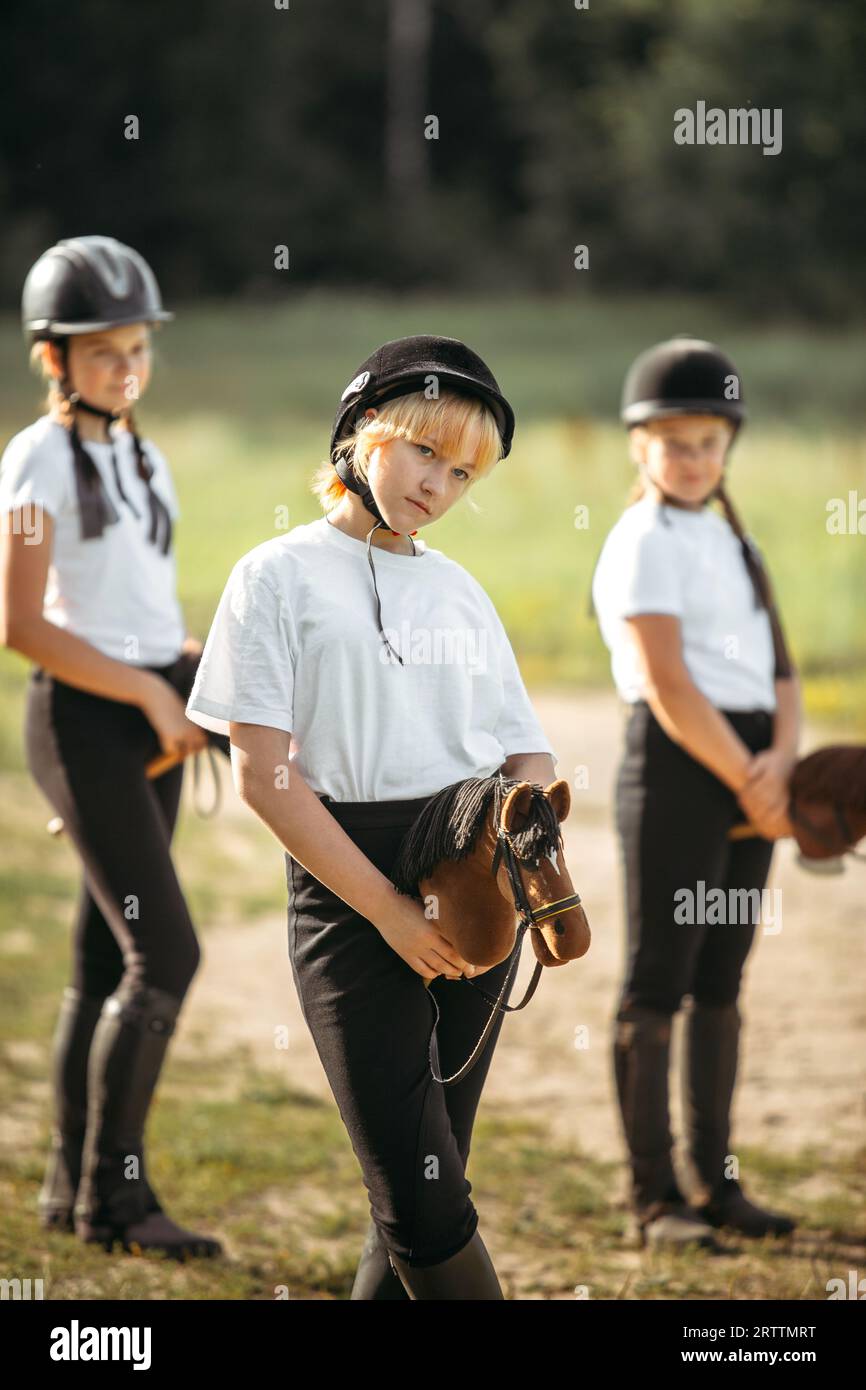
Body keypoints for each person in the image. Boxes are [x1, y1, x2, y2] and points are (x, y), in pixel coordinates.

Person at [185, 335, 558, 1298]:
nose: (440, 484)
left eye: (464, 471)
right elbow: (265, 777)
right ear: (362, 433)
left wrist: (528, 846)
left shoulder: (462, 592)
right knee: (418, 1200)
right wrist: (390, 911)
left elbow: (525, 749)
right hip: (351, 891)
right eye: (425, 452)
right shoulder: (275, 576)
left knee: (427, 1181)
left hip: (474, 885)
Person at [0, 236, 228, 1258]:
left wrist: (186, 674)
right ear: (54, 359)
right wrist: (140, 690)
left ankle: (68, 1182)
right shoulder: (36, 455)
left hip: (144, 713)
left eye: (137, 351)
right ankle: (115, 1201)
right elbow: (23, 626)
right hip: (84, 712)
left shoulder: (143, 453)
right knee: (166, 952)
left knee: (104, 960)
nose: (126, 371)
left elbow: (140, 608)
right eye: (103, 355)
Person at [591, 335, 799, 1249]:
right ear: (641, 447)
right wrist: (748, 779)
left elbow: (784, 673)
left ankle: (718, 1183)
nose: (692, 459)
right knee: (659, 978)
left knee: (723, 975)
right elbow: (668, 682)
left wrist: (782, 767)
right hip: (681, 768)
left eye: (709, 443)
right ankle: (653, 1197)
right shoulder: (642, 539)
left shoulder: (734, 537)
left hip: (754, 770)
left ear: (728, 448)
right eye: (673, 443)